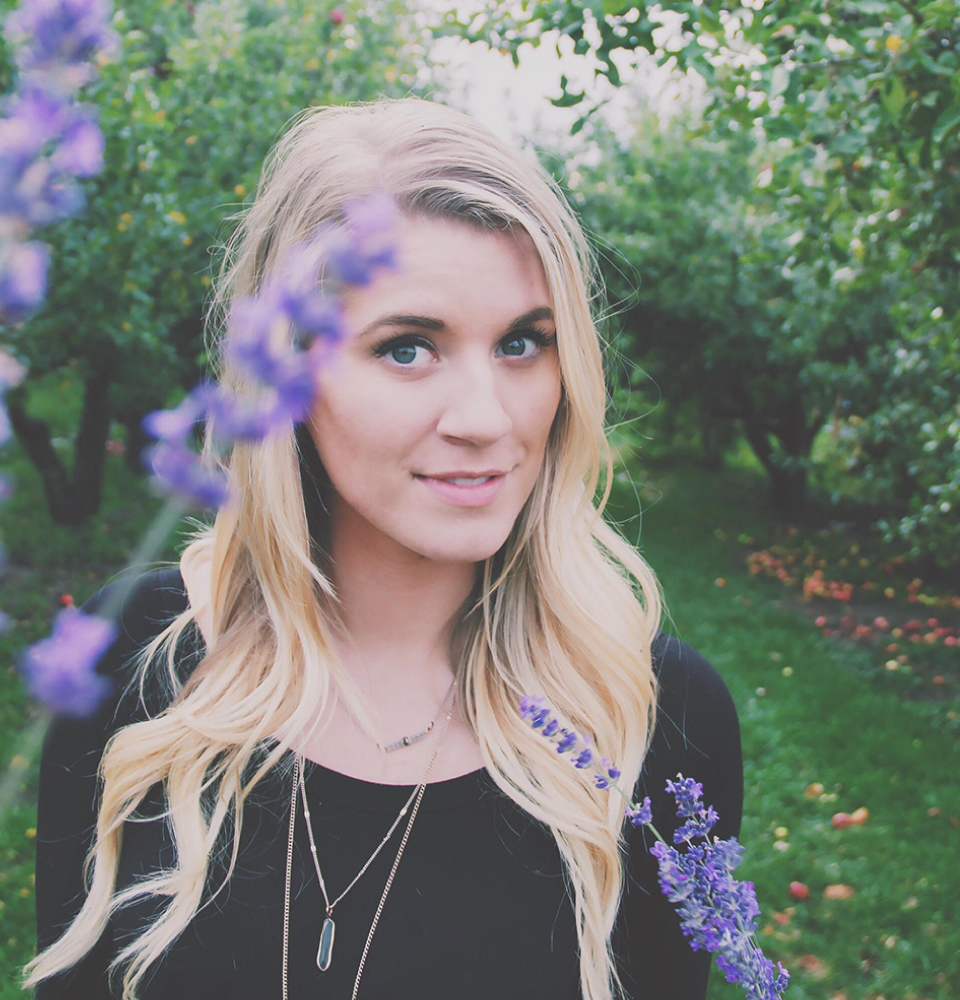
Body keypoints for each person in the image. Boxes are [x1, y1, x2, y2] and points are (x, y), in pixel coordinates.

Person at [25, 97, 743, 1000]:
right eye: (408, 349)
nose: (488, 418)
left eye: (525, 343)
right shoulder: (136, 661)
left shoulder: (656, 722)